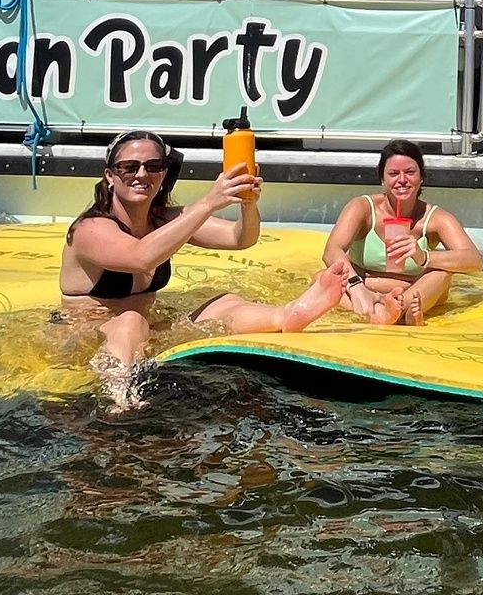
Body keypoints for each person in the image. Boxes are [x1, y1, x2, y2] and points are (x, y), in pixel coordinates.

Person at [60, 128, 336, 409]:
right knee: (131, 320)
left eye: (154, 166)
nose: (142, 175)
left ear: (164, 173)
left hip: (142, 333)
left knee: (224, 302)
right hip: (84, 338)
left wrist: (247, 204)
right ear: (109, 175)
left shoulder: (166, 219)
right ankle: (119, 397)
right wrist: (209, 201)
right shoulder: (89, 229)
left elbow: (240, 239)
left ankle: (287, 315)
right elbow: (141, 257)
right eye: (129, 167)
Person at [310, 141, 483, 327]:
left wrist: (424, 256)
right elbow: (331, 251)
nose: (402, 180)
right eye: (393, 174)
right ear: (382, 180)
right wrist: (356, 287)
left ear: (421, 177)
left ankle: (394, 311)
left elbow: (474, 261)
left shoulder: (435, 219)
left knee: (441, 274)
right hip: (364, 289)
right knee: (322, 277)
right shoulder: (363, 208)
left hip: (410, 293)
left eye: (410, 172)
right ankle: (386, 313)